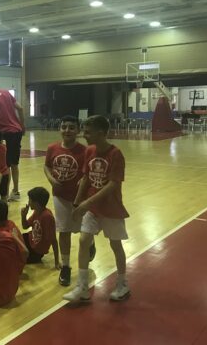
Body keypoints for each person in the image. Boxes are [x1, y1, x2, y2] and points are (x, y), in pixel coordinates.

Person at [63, 115, 130, 303]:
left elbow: (113, 184)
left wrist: (87, 203)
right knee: (84, 240)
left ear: (101, 133)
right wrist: (77, 203)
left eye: (88, 132)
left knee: (115, 245)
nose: (84, 135)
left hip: (111, 208)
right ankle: (82, 287)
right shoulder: (90, 151)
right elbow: (85, 178)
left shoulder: (116, 154)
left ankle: (122, 284)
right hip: (92, 208)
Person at [44, 116, 94, 286]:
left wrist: (83, 180)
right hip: (60, 195)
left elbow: (90, 172)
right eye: (64, 127)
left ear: (78, 130)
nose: (67, 130)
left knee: (83, 230)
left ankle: (91, 243)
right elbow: (47, 166)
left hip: (80, 197)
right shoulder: (52, 148)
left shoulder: (85, 151)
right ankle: (65, 267)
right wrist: (51, 179)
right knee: (64, 231)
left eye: (71, 127)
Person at [20, 187, 59, 267]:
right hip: (30, 240)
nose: (28, 202)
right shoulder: (36, 211)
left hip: (36, 252)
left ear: (36, 203)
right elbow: (25, 226)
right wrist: (23, 216)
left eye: (30, 200)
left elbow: (53, 240)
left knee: (17, 258)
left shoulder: (47, 217)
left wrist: (57, 262)